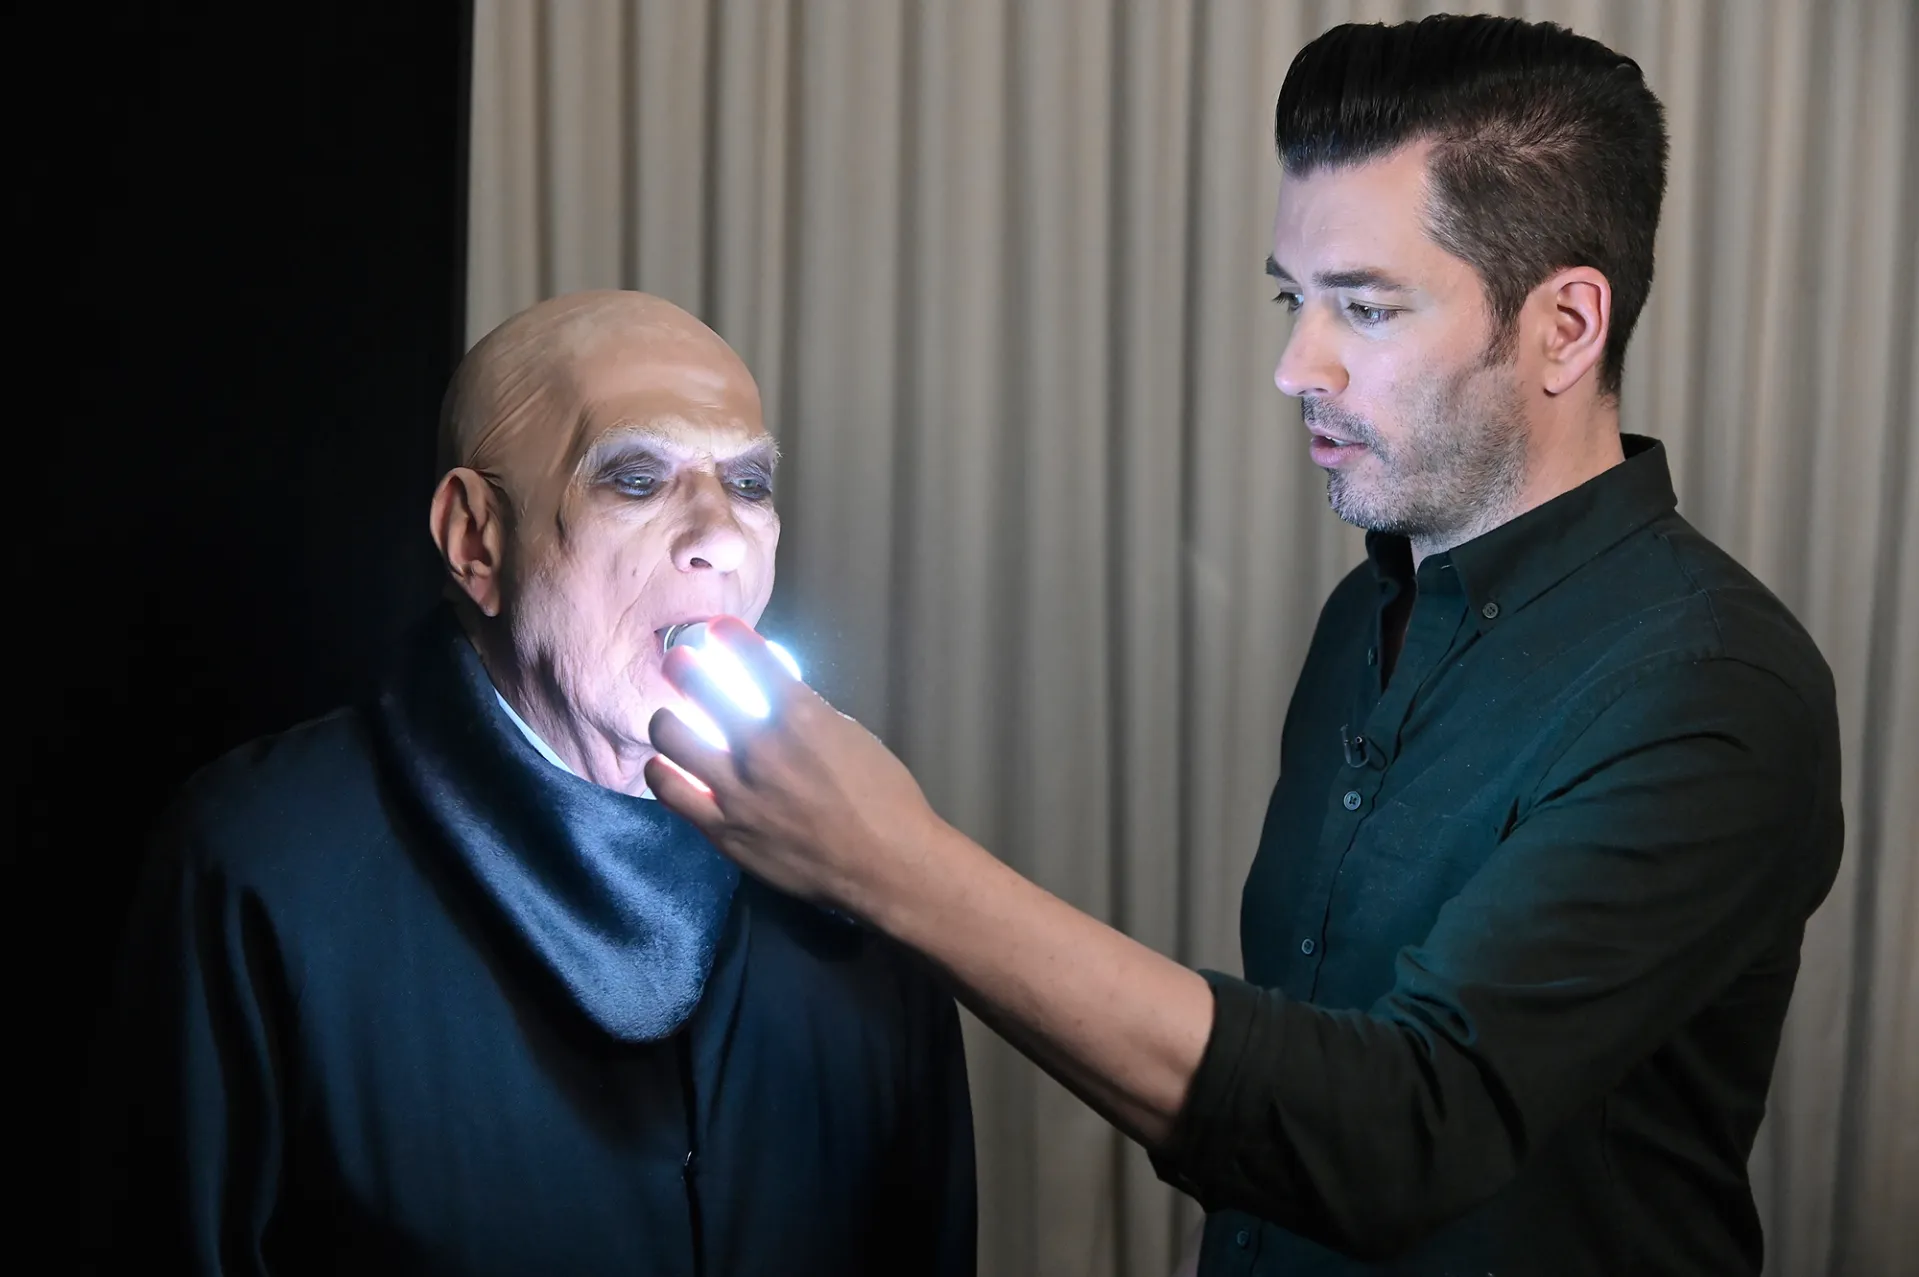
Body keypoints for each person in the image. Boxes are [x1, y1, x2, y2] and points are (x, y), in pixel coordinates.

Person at [642, 17, 1843, 1277]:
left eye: (1362, 308)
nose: (1292, 366)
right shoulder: (1364, 614)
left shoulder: (1710, 688)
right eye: (1292, 297)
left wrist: (894, 862)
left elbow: (1406, 1131)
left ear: (1564, 325)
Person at [90, 291, 976, 1276]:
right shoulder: (261, 868)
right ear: (475, 537)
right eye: (636, 479)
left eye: (748, 482)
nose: (721, 536)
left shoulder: (861, 873)